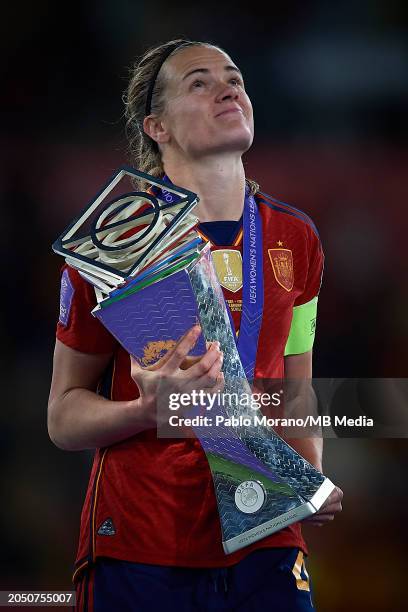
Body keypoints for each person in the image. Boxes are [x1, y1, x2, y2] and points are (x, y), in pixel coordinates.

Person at [48, 39, 343, 612]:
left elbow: (296, 384)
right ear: (156, 126)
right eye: (199, 83)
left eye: (234, 77)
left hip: (267, 524)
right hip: (144, 536)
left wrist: (309, 474)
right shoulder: (116, 247)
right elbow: (63, 417)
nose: (228, 88)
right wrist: (143, 411)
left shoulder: (296, 238)